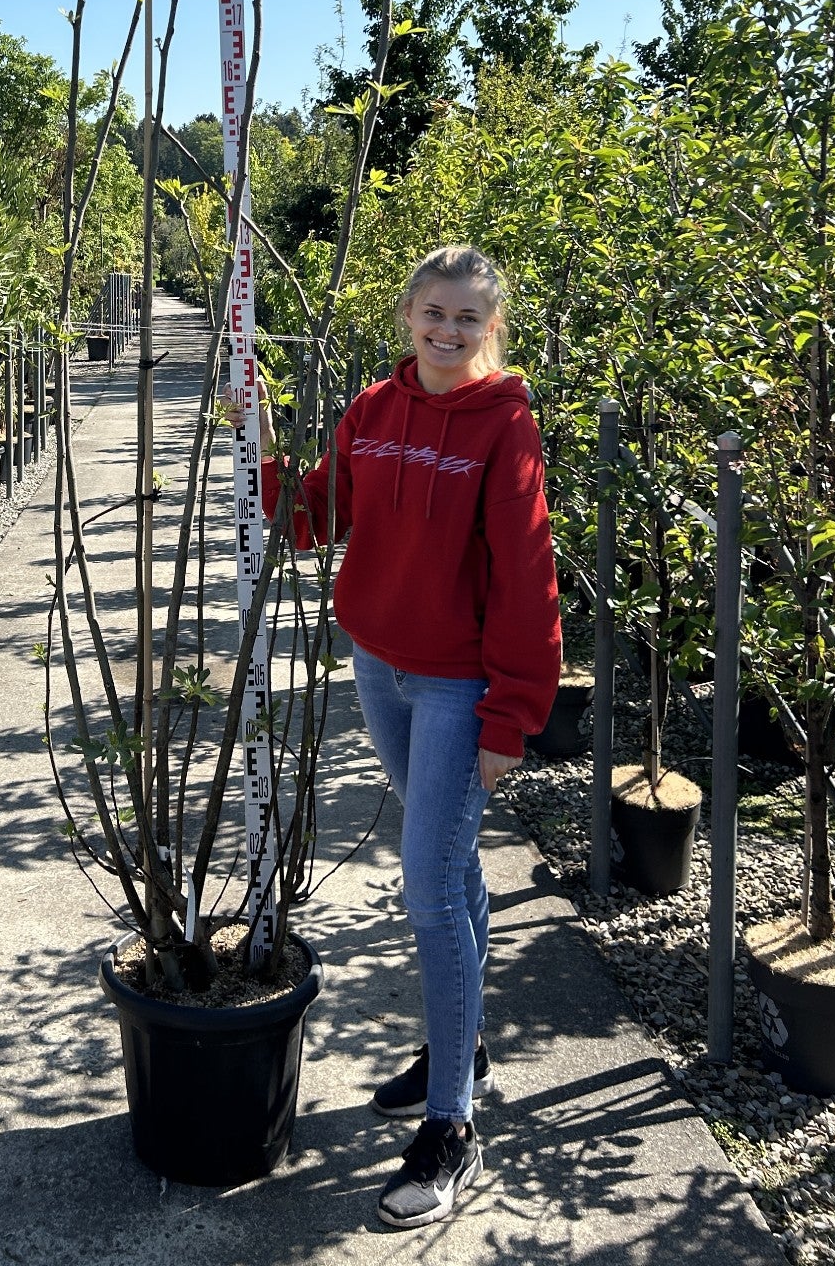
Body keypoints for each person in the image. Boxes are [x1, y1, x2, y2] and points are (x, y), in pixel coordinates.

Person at [229, 245, 560, 1228]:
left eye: (467, 317)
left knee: (426, 887)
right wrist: (257, 454)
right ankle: (464, 1046)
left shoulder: (505, 425)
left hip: (459, 686)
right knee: (453, 875)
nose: (447, 331)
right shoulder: (374, 409)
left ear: (490, 326)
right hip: (380, 665)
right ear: (408, 313)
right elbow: (321, 511)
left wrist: (512, 716)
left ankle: (451, 1122)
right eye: (433, 312)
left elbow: (527, 576)